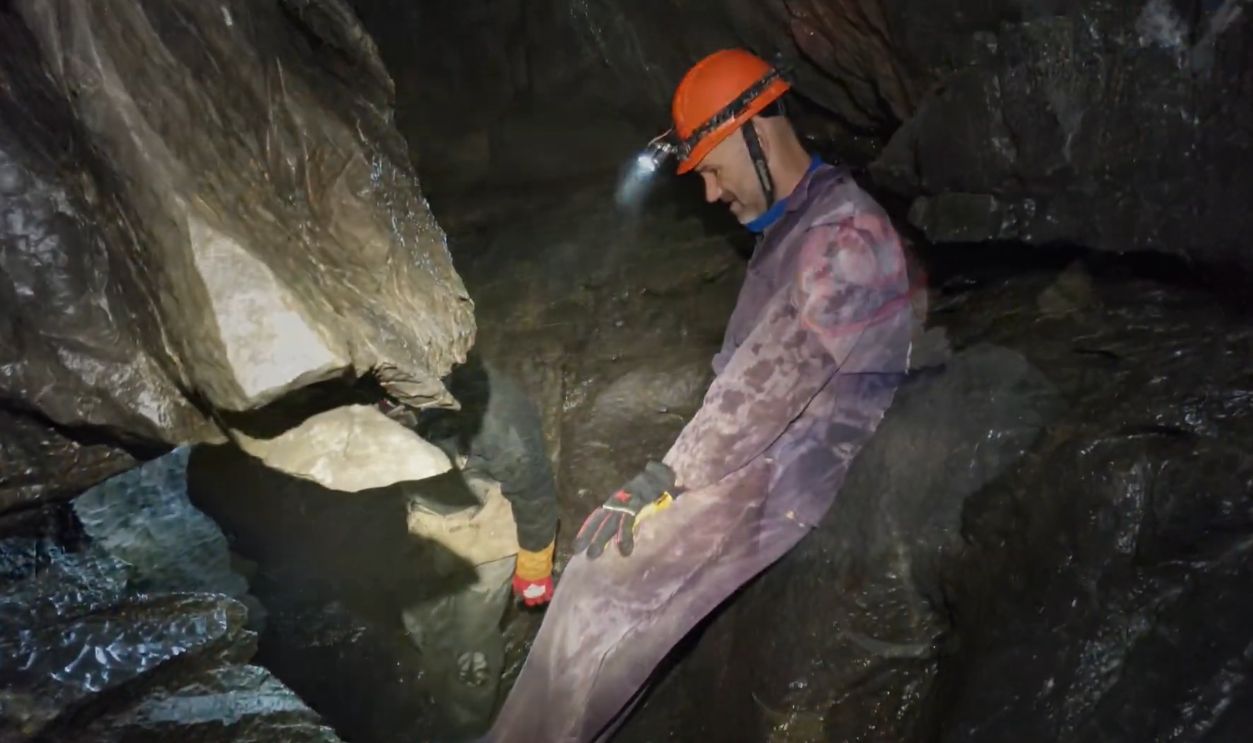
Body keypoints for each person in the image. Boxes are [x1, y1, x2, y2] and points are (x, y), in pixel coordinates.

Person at [480, 48, 916, 742]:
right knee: (605, 590)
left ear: (757, 130)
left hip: (787, 473)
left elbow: (765, 392)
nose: (710, 193)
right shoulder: (799, 224)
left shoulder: (845, 235)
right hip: (762, 454)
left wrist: (665, 477)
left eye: (712, 168)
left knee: (598, 585)